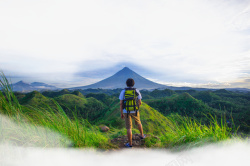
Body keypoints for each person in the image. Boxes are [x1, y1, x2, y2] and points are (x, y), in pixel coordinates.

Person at [119, 78, 145, 148]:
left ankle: (130, 144)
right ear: (133, 84)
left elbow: (121, 104)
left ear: (126, 84)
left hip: (126, 111)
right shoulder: (136, 90)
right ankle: (142, 135)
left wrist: (121, 113)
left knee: (129, 127)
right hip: (135, 110)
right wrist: (137, 108)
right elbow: (140, 102)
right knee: (139, 122)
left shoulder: (123, 91)